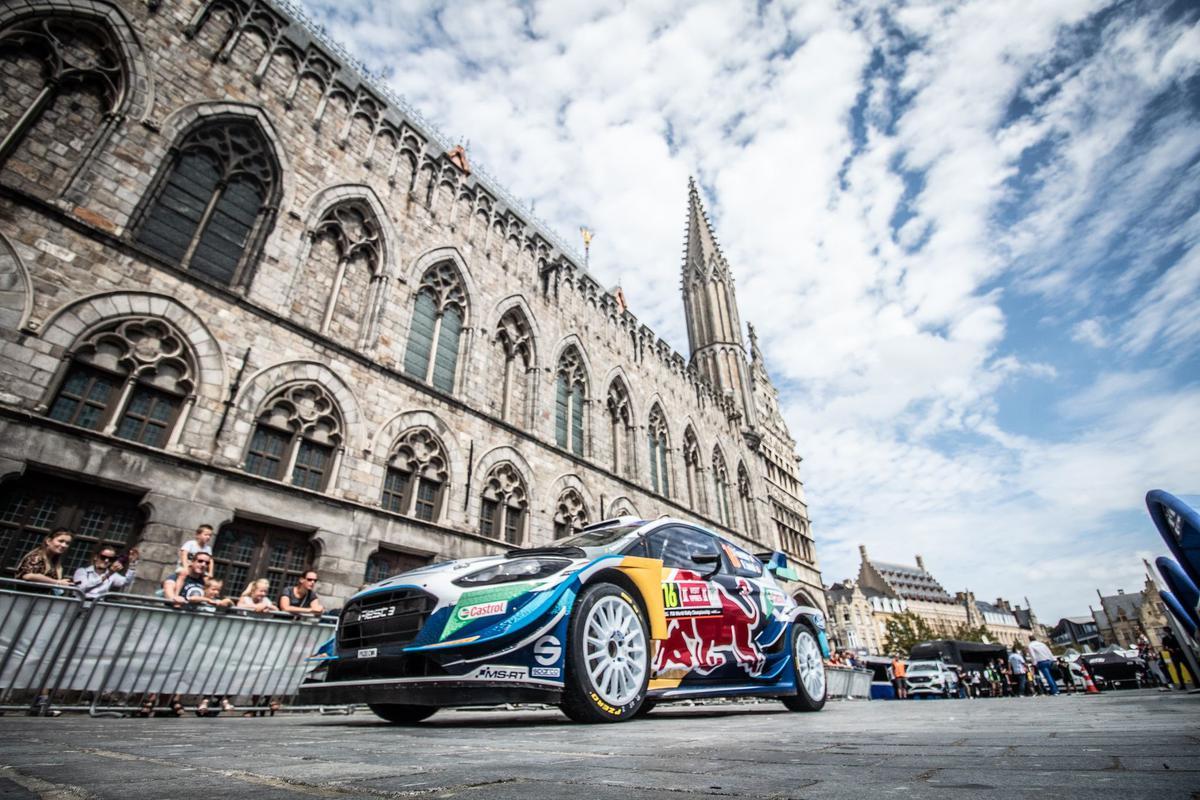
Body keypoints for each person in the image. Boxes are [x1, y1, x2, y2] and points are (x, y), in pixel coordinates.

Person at [163, 525, 215, 601]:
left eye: (210, 535)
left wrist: (210, 572)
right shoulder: (191, 543)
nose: (208, 537)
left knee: (208, 580)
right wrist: (185, 566)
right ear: (198, 535)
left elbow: (210, 560)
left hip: (199, 571)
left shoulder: (208, 548)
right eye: (206, 535)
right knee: (183, 573)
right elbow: (184, 554)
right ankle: (177, 593)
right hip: (184, 567)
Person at [73, 544, 139, 599]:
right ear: (96, 557)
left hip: (97, 606)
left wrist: (132, 564)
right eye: (103, 557)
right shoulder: (82, 571)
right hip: (80, 603)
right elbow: (83, 587)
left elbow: (126, 582)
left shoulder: (112, 574)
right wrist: (107, 575)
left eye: (111, 559)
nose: (106, 561)